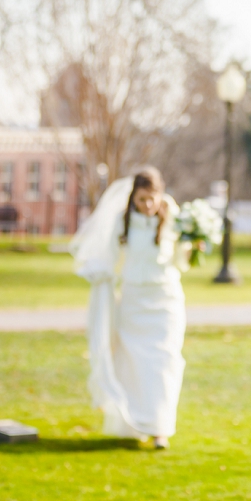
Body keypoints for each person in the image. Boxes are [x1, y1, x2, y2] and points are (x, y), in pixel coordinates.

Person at [69, 166, 189, 450]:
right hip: (134, 302)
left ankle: (162, 429)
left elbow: (180, 263)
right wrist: (96, 272)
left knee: (165, 362)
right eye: (142, 199)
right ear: (133, 197)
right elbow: (106, 257)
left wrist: (193, 247)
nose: (148, 206)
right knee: (137, 364)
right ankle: (140, 423)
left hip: (166, 301)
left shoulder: (175, 219)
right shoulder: (121, 224)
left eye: (152, 199)